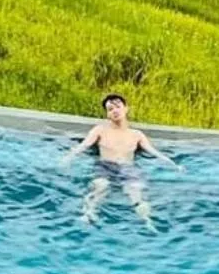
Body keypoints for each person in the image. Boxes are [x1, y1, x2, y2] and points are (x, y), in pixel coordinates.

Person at [64, 93, 176, 225]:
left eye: (117, 106)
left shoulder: (136, 134)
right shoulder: (100, 130)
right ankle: (88, 214)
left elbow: (153, 151)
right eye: (110, 109)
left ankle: (147, 221)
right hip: (105, 165)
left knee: (136, 191)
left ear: (126, 108)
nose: (115, 111)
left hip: (127, 167)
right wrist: (68, 158)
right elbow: (84, 145)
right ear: (107, 115)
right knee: (101, 186)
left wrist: (173, 164)